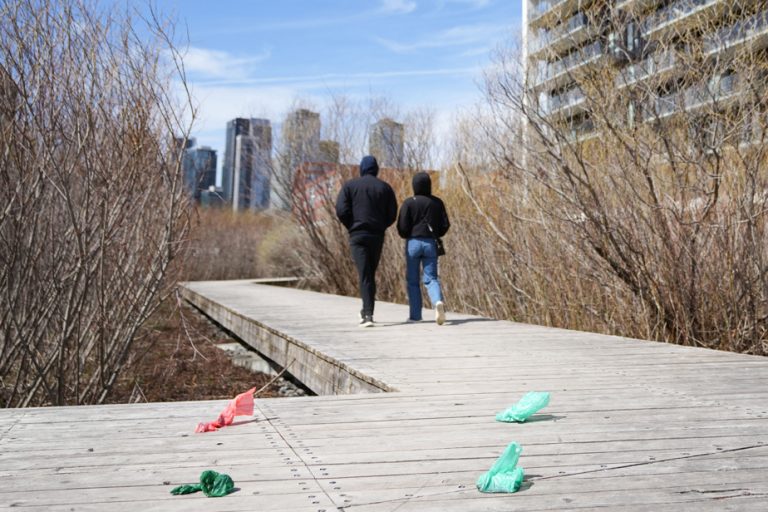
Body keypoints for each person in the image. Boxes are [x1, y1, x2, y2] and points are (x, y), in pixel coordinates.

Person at [335, 155, 398, 327]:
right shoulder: (385, 188)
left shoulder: (350, 186)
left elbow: (341, 210)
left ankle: (367, 314)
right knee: (369, 273)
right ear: (376, 169)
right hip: (376, 236)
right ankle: (367, 311)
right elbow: (392, 213)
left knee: (365, 274)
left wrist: (352, 225)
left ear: (362, 168)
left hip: (358, 236)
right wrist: (381, 226)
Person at [397, 171, 450, 325]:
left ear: (414, 185)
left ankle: (415, 316)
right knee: (431, 278)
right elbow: (445, 224)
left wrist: (406, 234)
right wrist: (436, 234)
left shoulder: (409, 203)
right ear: (429, 185)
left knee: (413, 280)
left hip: (413, 243)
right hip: (430, 243)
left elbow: (402, 226)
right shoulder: (437, 202)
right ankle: (437, 302)